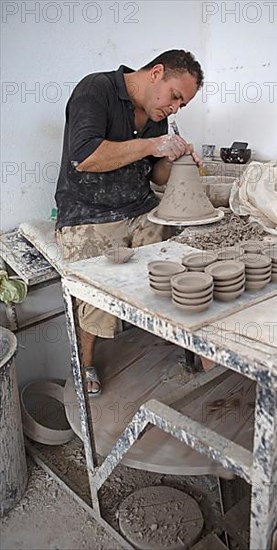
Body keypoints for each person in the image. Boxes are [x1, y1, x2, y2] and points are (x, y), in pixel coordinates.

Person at [55, 49, 210, 396]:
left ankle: (184, 350)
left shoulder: (156, 116)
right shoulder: (96, 89)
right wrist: (153, 143)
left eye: (181, 105)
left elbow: (155, 174)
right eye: (175, 97)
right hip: (87, 212)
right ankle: (85, 360)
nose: (174, 108)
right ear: (156, 72)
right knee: (98, 291)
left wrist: (178, 159)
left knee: (177, 272)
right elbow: (85, 156)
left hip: (139, 208)